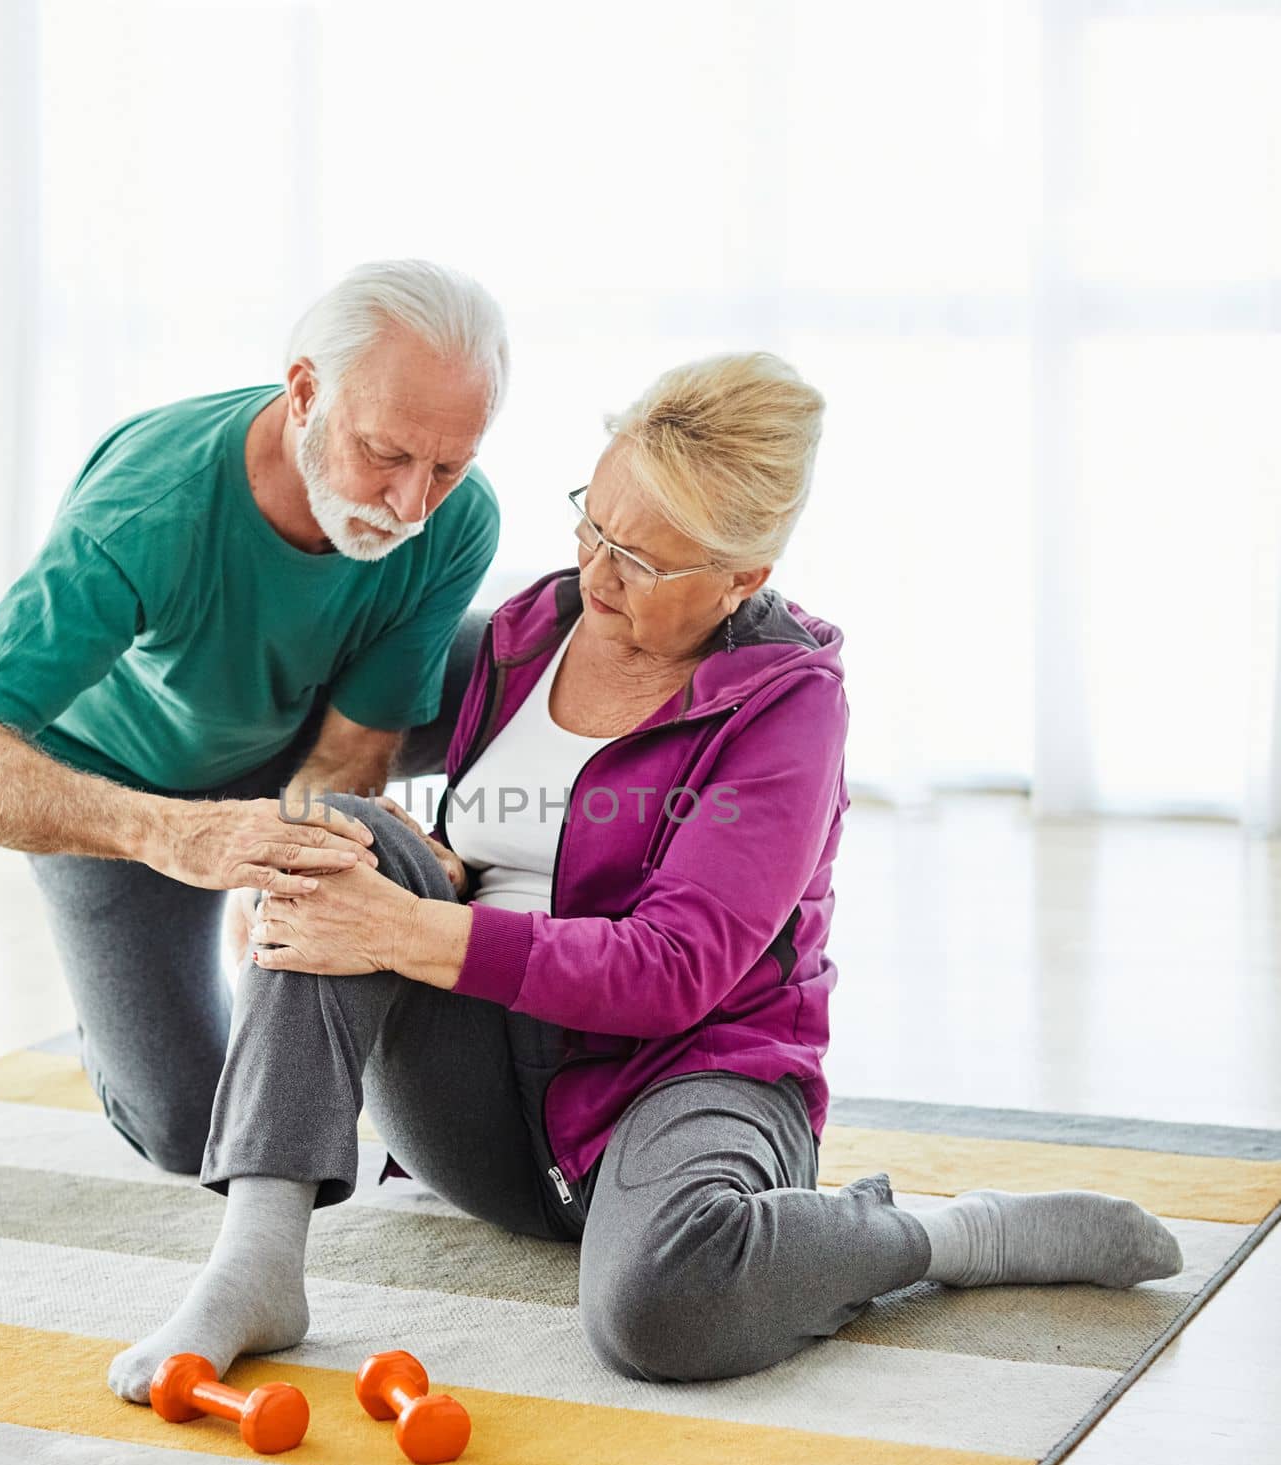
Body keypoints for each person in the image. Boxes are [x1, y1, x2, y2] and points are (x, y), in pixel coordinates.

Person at [104, 350, 1185, 1397]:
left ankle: (944, 1236)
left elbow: (672, 968)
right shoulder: (527, 635)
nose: (597, 571)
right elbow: (305, 698)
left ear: (741, 577)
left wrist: (408, 931)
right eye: (592, 521)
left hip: (681, 1076)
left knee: (657, 1314)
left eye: (645, 560)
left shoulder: (786, 708)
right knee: (337, 835)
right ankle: (253, 1266)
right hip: (474, 1101)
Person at [0, 260, 506, 1173]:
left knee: (544, 653)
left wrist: (305, 880)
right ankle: (111, 1011)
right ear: (305, 392)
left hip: (300, 724)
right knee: (197, 1131)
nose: (413, 504)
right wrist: (179, 838)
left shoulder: (453, 519)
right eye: (386, 454)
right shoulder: (149, 511)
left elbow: (356, 742)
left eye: (448, 465)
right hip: (126, 788)